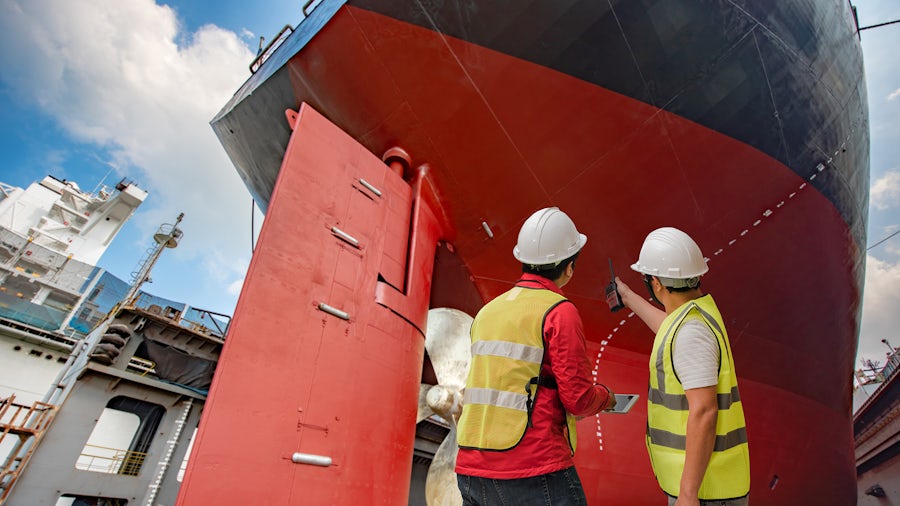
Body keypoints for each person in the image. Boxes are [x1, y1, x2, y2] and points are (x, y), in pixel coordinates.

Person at [455, 207, 617, 506]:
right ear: (569, 267)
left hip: (470, 466)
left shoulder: (488, 311)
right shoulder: (558, 311)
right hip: (532, 468)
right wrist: (607, 398)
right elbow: (578, 399)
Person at [615, 227, 750, 506]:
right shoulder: (691, 316)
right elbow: (670, 329)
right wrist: (628, 298)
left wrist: (688, 495)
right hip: (706, 486)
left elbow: (704, 411)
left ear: (656, 283)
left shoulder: (691, 332)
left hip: (707, 492)